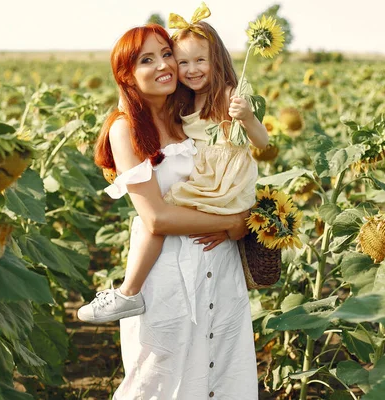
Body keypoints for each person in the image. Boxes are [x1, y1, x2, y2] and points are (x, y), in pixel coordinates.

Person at [80, 21, 259, 399]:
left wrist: (244, 218)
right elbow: (156, 218)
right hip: (166, 271)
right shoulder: (125, 128)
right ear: (126, 75)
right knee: (160, 376)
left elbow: (234, 166)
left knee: (223, 369)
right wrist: (232, 222)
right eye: (147, 60)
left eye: (166, 55)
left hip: (218, 264)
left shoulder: (190, 111)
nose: (164, 66)